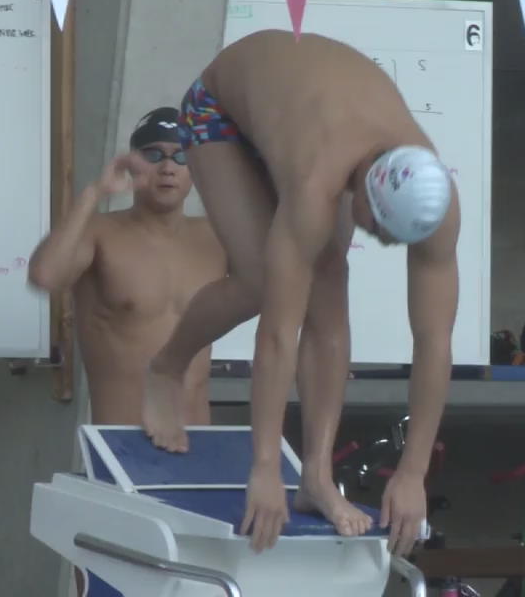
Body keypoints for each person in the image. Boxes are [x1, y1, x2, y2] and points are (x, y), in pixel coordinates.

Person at [141, 29, 460, 558]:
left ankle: (316, 478)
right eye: (379, 230)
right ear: (366, 189)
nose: (381, 242)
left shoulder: (436, 206)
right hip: (220, 109)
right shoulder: (319, 182)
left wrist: (413, 473)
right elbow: (276, 338)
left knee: (331, 285)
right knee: (263, 285)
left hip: (301, 116)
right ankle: (166, 367)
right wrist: (264, 466)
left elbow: (435, 343)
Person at [28, 107, 228, 427]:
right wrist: (94, 193)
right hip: (122, 444)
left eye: (181, 156)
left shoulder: (216, 238)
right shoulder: (100, 233)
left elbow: (286, 279)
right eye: (154, 155)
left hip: (199, 445)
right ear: (133, 164)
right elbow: (45, 276)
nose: (167, 168)